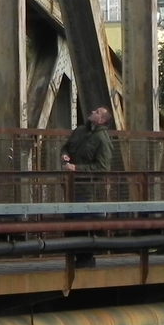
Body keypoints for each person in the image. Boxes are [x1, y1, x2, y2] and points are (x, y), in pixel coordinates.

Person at [61, 106, 112, 268]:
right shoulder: (80, 130)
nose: (92, 112)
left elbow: (102, 168)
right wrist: (64, 154)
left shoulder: (102, 139)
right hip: (70, 186)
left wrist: (76, 168)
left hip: (87, 188)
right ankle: (77, 258)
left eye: (97, 112)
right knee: (70, 222)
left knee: (81, 223)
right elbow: (66, 146)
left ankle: (86, 258)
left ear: (101, 120)